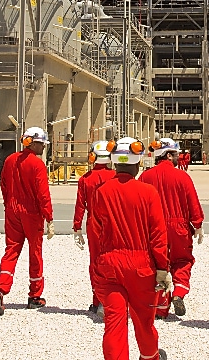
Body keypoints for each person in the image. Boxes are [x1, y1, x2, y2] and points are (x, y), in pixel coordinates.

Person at [87, 137, 170, 360]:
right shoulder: (148, 192)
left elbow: (95, 231)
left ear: (114, 161)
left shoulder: (101, 192)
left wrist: (97, 265)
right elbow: (158, 236)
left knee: (114, 324)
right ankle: (150, 357)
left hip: (109, 266)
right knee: (144, 322)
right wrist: (162, 268)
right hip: (141, 267)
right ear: (138, 162)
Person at [0, 127, 55, 315]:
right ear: (33, 143)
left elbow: (3, 185)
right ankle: (35, 296)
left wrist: (8, 205)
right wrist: (49, 217)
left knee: (11, 251)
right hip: (32, 213)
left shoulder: (10, 160)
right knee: (35, 253)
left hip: (12, 211)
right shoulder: (37, 164)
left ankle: (0, 289)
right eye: (42, 144)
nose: (43, 147)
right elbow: (43, 194)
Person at [140, 138, 204, 318]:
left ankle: (161, 308)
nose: (179, 157)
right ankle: (179, 292)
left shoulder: (145, 177)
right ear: (168, 155)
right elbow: (193, 203)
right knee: (182, 261)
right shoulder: (182, 176)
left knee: (159, 265)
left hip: (154, 228)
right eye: (176, 154)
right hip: (179, 227)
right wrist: (197, 224)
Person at [74, 139, 115, 318]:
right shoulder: (116, 176)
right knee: (114, 260)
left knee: (96, 263)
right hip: (114, 224)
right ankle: (114, 300)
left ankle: (97, 300)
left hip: (94, 225)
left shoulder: (85, 179)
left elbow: (80, 206)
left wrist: (77, 227)